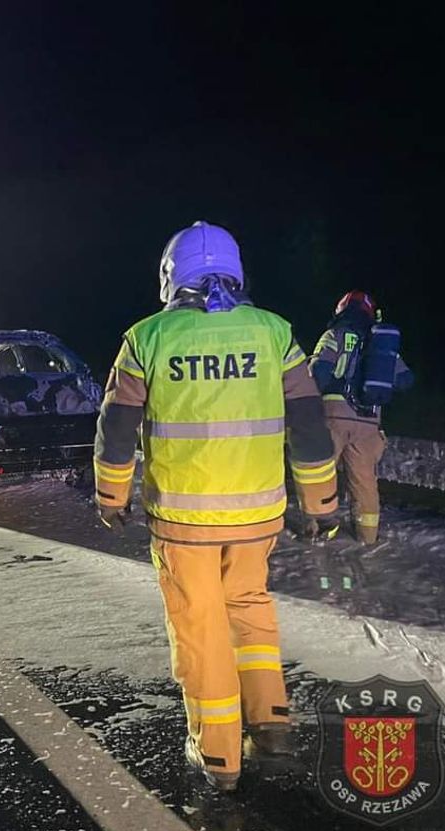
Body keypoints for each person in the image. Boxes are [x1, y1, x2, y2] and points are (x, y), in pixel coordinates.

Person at [93, 221, 340, 791]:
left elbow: (116, 425)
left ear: (170, 274)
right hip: (258, 516)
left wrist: (112, 495)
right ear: (235, 270)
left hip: (184, 522)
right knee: (249, 608)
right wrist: (321, 501)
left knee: (201, 628)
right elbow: (307, 421)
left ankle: (219, 754)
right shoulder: (275, 333)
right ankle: (273, 725)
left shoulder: (147, 337)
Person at [310, 291, 413, 545]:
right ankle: (367, 537)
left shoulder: (335, 335)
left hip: (335, 415)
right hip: (369, 422)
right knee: (364, 481)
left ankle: (316, 530)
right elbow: (405, 380)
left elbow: (318, 372)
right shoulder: (381, 345)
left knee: (319, 474)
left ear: (341, 310)